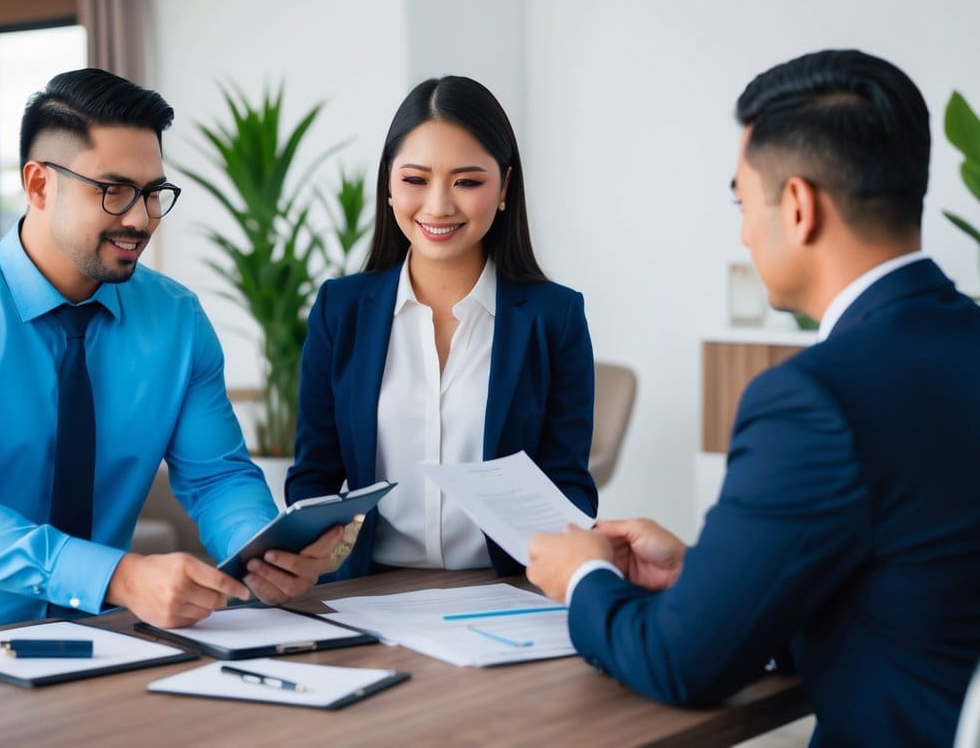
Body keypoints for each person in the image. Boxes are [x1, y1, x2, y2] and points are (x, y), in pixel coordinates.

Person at [527, 50, 980, 747]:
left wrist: (581, 576)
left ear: (796, 206)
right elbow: (913, 592)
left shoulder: (813, 399)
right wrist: (706, 577)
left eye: (743, 201)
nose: (742, 230)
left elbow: (682, 665)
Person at [0, 68, 342, 645]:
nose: (139, 219)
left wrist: (265, 555)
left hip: (103, 638)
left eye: (152, 193)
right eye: (113, 191)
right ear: (39, 186)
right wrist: (118, 576)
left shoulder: (176, 320)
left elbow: (217, 478)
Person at [286, 75, 597, 579]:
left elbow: (569, 481)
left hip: (510, 592)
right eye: (415, 180)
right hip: (368, 595)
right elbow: (312, 478)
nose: (438, 205)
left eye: (467, 181)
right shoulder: (340, 310)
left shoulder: (553, 317)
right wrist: (321, 555)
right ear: (389, 182)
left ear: (504, 187)